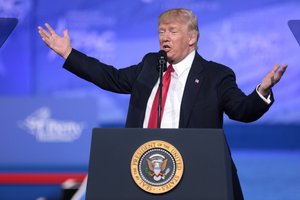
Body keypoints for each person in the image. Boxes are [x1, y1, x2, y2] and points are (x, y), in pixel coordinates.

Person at [38, 8, 287, 200]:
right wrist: (69, 54)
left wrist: (262, 90)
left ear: (192, 38)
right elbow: (111, 77)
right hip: (142, 170)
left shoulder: (216, 75)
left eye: (172, 31)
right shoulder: (150, 65)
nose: (164, 38)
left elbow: (241, 110)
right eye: (161, 31)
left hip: (194, 172)